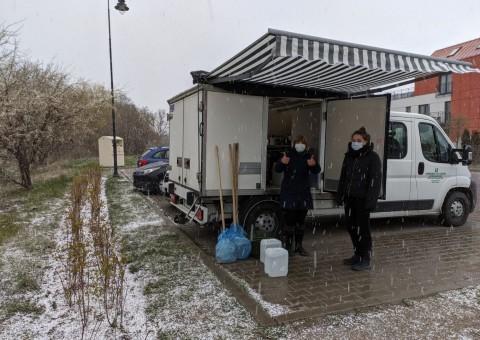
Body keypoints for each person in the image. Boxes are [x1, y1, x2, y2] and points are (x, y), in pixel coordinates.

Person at [336, 127, 382, 271]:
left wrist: (371, 201)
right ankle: (358, 254)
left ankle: (366, 258)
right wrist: (340, 194)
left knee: (363, 230)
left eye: (359, 140)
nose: (356, 143)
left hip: (362, 199)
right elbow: (343, 177)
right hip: (350, 198)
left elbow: (375, 180)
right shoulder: (349, 156)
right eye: (354, 140)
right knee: (351, 227)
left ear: (366, 141)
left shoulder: (373, 157)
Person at [274, 135, 321, 256]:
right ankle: (288, 246)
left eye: (302, 143)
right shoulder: (288, 155)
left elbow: (317, 170)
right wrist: (281, 162)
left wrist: (313, 164)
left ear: (306, 145)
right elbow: (277, 169)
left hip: (303, 194)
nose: (300, 145)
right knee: (289, 223)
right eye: (297, 143)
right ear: (294, 145)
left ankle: (299, 246)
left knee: (301, 223)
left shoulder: (308, 156)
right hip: (289, 194)